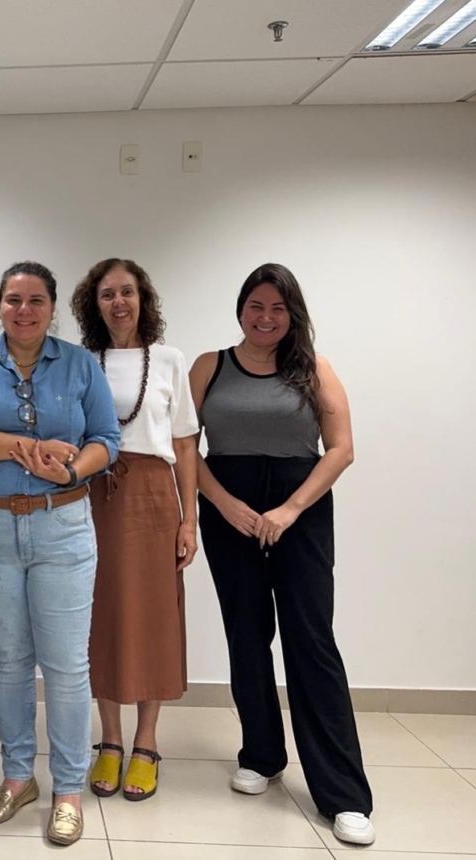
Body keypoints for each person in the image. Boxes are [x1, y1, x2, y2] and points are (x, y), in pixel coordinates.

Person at [188, 263, 375, 846]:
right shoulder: (209, 366)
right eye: (256, 306)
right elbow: (183, 448)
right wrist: (223, 504)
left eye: (277, 308)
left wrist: (289, 510)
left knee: (310, 640)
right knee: (246, 635)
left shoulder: (314, 368)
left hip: (300, 512)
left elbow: (341, 449)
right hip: (230, 513)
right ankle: (261, 755)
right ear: (241, 309)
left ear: (292, 315)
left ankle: (343, 794)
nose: (265, 318)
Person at [0, 261, 120, 847]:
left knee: (66, 665)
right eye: (13, 300)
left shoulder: (80, 364)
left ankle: (67, 790)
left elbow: (106, 441)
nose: (24, 310)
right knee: (10, 659)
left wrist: (69, 467)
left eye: (36, 300)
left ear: (52, 308)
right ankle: (18, 777)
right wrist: (30, 447)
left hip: (62, 526)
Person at [70, 258, 198, 802]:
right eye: (107, 294)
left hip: (152, 496)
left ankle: (146, 741)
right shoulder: (80, 362)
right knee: (97, 613)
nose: (118, 303)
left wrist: (189, 518)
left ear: (143, 298)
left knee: (152, 615)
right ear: (93, 305)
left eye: (127, 291)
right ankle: (110, 739)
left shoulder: (169, 360)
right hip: (93, 494)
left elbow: (185, 443)